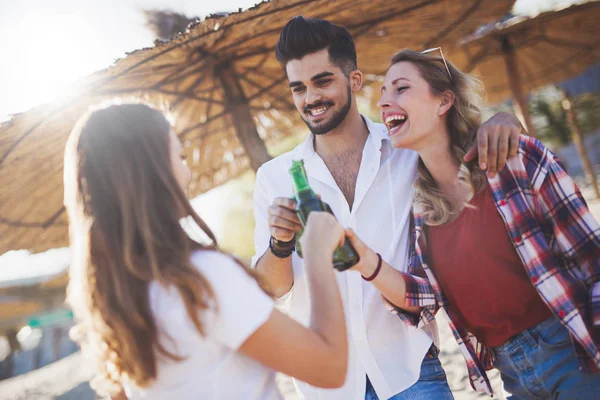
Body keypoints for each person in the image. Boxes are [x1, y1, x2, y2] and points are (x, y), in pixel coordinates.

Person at [252, 16, 524, 400]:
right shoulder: (274, 177)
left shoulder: (407, 148)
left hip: (412, 370)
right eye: (298, 88)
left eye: (322, 81)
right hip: (327, 385)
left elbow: (465, 144)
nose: (310, 98)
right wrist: (280, 243)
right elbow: (271, 288)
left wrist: (503, 119)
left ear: (355, 80)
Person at [63, 102, 350, 400]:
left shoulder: (116, 296)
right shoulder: (201, 279)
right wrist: (317, 253)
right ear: (154, 170)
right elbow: (329, 368)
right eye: (180, 156)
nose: (187, 172)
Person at [356, 48, 600, 398]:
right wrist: (366, 262)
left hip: (571, 352)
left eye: (400, 88)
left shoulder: (516, 161)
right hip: (511, 375)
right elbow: (426, 298)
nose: (384, 102)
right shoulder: (419, 210)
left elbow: (592, 255)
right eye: (382, 93)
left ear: (444, 101)